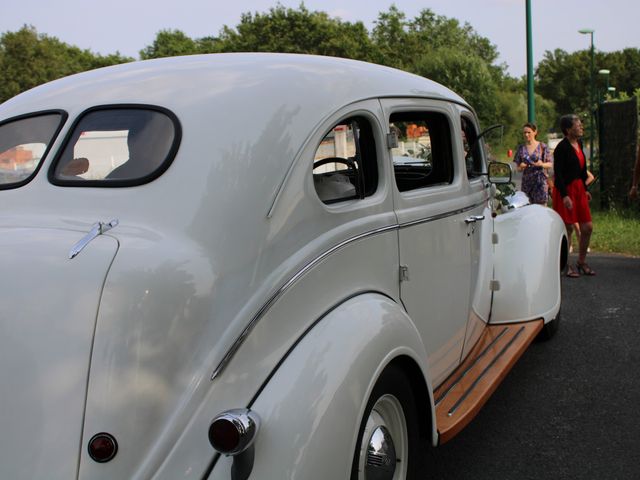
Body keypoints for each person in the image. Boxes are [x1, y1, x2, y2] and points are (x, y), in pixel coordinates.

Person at [552, 114, 595, 277]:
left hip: (579, 189)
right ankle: (566, 264)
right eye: (578, 124)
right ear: (568, 129)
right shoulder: (561, 148)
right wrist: (564, 196)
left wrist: (584, 188)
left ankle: (581, 261)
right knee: (567, 228)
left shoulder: (579, 143)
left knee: (587, 227)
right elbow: (559, 175)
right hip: (566, 190)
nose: (581, 127)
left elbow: (582, 171)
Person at [513, 122, 553, 205]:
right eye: (524, 132)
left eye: (529, 132)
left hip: (540, 183)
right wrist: (521, 166)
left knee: (541, 209)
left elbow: (550, 164)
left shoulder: (543, 146)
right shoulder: (521, 148)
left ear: (535, 132)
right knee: (527, 209)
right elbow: (517, 168)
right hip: (527, 184)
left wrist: (542, 164)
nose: (526, 135)